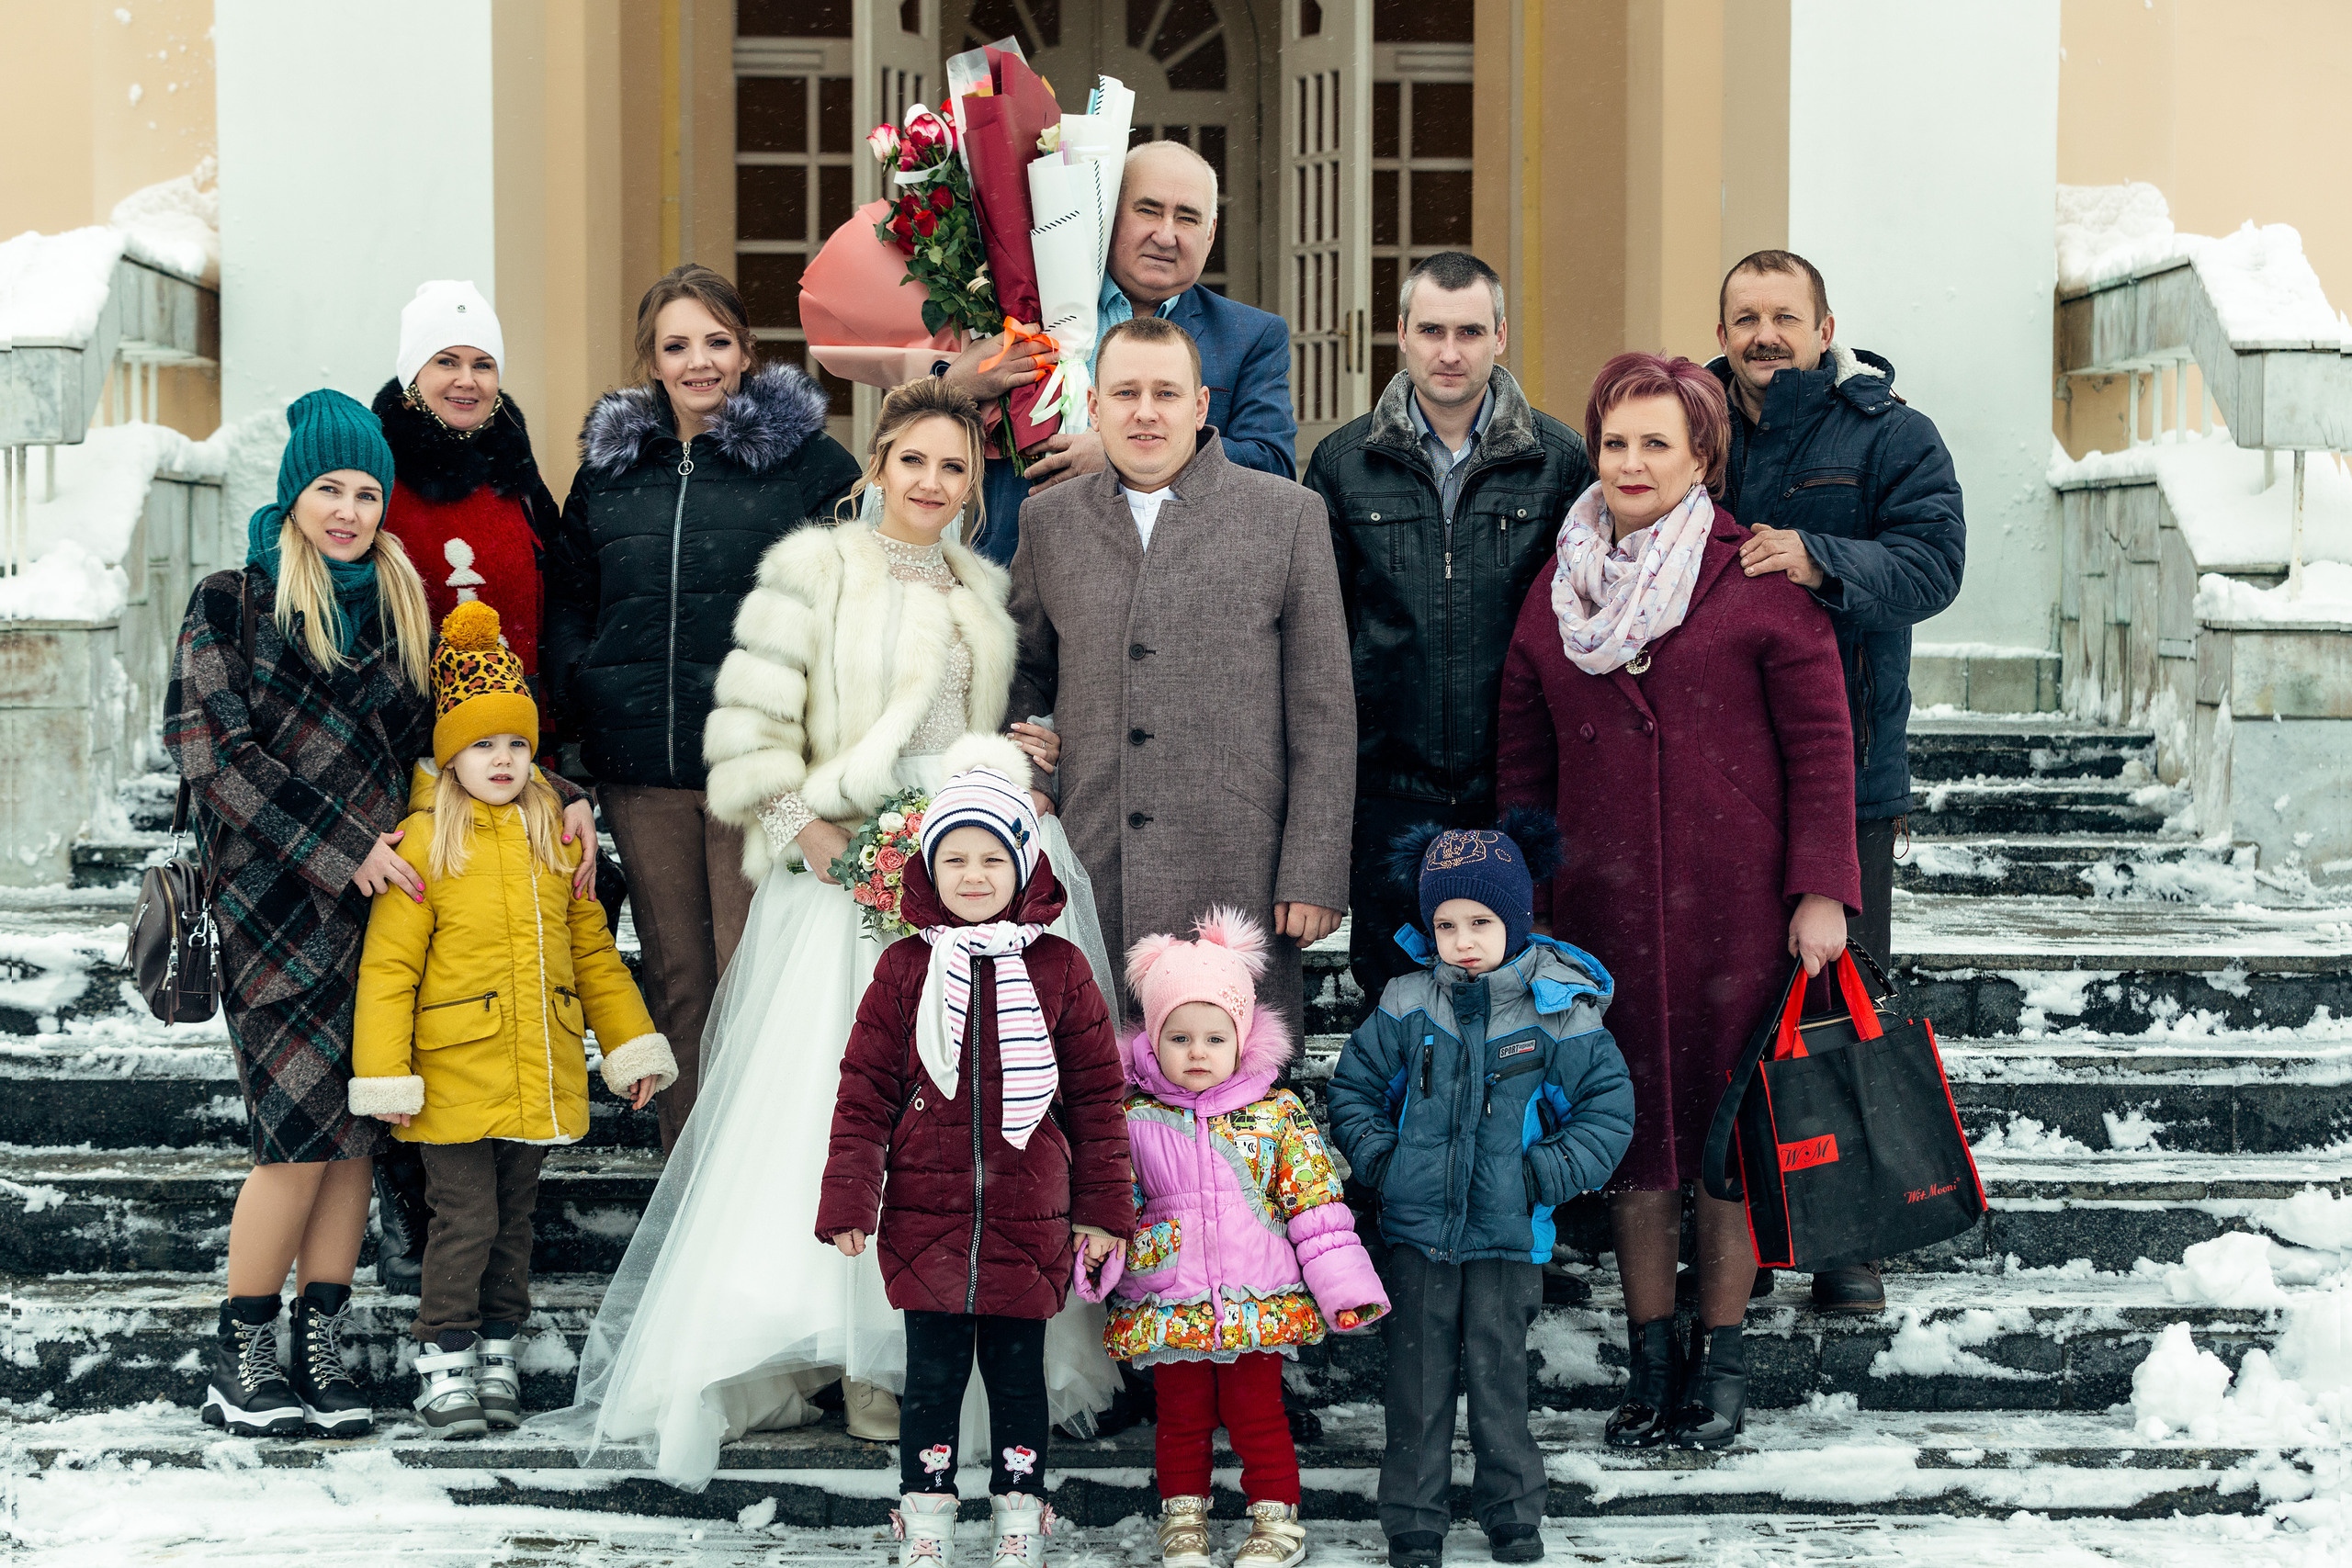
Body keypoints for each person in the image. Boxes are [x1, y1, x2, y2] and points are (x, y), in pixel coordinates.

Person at [548, 377, 1119, 1489]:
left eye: (956, 468)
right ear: (879, 462)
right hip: (847, 866)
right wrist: (810, 834)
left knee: (966, 1096)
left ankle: (933, 1347)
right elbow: (751, 725)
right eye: (915, 460)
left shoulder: (981, 586)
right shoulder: (813, 570)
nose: (933, 483)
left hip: (959, 862)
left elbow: (976, 726)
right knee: (847, 1098)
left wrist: (1015, 758)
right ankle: (845, 1350)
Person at [1494, 353, 1859, 1453]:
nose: (1632, 463)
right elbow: (1522, 755)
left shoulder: (1751, 575)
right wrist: (1530, 906)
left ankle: (1723, 1360)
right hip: (1599, 919)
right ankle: (1650, 1363)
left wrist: (1823, 892)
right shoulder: (1556, 585)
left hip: (1737, 909)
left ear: (1702, 455)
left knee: (1723, 1142)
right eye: (1615, 442)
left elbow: (1822, 747)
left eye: (1658, 442)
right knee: (1629, 1141)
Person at [164, 389, 440, 1439]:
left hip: (383, 913)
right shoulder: (231, 602)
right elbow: (214, 758)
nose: (350, 510)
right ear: (293, 495)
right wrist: (341, 849)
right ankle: (241, 1353)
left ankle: (316, 1349)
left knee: (358, 1134)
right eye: (330, 488)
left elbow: (425, 755)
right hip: (272, 910)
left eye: (368, 492)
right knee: (293, 1140)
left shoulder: (398, 610)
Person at [542, 264, 863, 1148]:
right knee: (679, 978)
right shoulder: (611, 472)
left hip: (756, 772)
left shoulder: (808, 465)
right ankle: (687, 1183)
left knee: (751, 974)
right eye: (677, 344)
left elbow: (853, 594)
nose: (699, 362)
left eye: (717, 341)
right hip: (641, 768)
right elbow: (572, 594)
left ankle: (758, 1177)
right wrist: (584, 682)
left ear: (747, 351)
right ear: (650, 357)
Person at [347, 602, 678, 1437]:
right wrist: (386, 1074)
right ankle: (443, 1358)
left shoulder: (556, 841)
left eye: (517, 743)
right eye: (482, 744)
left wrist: (630, 1046)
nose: (502, 759)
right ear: (450, 752)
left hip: (539, 1063)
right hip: (453, 1073)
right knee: (465, 1220)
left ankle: (496, 1349)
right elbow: (389, 970)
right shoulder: (424, 843)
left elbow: (594, 953)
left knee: (516, 1219)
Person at [1710, 251, 1966, 1315]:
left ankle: (1847, 1238)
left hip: (1848, 770)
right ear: (1719, 330)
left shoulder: (1890, 433)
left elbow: (1934, 567)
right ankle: (1731, 1220)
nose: (1763, 334)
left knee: (1837, 1001)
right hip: (1716, 769)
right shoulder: (1693, 422)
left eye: (1784, 317)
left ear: (1825, 329)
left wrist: (1819, 557)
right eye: (1743, 317)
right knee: (1726, 1008)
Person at [818, 770, 1131, 1568]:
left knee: (1020, 1377)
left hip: (1033, 1211)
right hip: (926, 1212)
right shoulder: (905, 970)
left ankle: (1020, 1513)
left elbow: (1098, 1099)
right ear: (928, 871)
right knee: (931, 1378)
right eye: (954, 860)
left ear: (1024, 868)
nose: (973, 876)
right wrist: (852, 1196)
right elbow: (864, 1092)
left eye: (992, 859)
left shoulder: (1060, 969)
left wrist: (1102, 1209)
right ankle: (925, 1520)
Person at [1007, 315, 1354, 1035]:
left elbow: (1323, 712)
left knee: (1226, 1105)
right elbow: (1022, 674)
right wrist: (1031, 768)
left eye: (1166, 393)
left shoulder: (1287, 517)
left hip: (1236, 868)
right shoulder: (1050, 522)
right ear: (1094, 407)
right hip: (1094, 860)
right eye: (1125, 392)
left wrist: (1314, 870)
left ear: (1200, 407)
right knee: (1092, 1095)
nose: (1145, 411)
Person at [1325, 813, 1632, 1568]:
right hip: (1417, 1234)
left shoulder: (1558, 1011)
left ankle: (1512, 1511)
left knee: (1500, 1381)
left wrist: (1542, 1176)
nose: (1463, 938)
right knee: (1417, 1385)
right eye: (1447, 922)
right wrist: (1385, 1163)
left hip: (1506, 1235)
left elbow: (1607, 1111)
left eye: (1482, 920)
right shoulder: (1404, 1004)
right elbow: (1355, 1092)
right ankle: (1414, 1519)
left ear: (1516, 919)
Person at [369, 278, 591, 1298]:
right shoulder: (377, 474)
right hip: (402, 780)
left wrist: (555, 772)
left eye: (482, 362)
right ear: (413, 373)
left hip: (511, 770)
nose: (466, 380)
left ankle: (482, 1249)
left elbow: (553, 623)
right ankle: (420, 1225)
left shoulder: (514, 473)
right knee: (413, 994)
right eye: (446, 361)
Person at [1306, 252, 1595, 1003]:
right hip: (1390, 785)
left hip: (1512, 780)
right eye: (1431, 329)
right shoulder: (1343, 464)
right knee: (1395, 989)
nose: (1449, 350)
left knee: (1515, 991)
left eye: (1470, 330)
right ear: (1400, 334)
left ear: (1500, 335)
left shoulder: (1559, 462)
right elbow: (1321, 631)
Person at [1076, 911, 1388, 1568]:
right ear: (1153, 1041)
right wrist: (1101, 1250)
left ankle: (1275, 1522)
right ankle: (1183, 1519)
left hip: (1257, 1299)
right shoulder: (1133, 1118)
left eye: (1213, 1037)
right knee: (1181, 1419)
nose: (1196, 1051)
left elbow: (1317, 1209)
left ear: (1241, 1040)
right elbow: (1113, 1202)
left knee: (1257, 1415)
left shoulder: (1277, 1116)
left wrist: (1347, 1290)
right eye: (1179, 1036)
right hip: (1173, 1301)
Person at [935, 140, 1296, 564]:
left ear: (1211, 231)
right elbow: (915, 447)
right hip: (1013, 577)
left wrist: (1121, 455)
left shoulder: (1250, 335)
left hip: (1175, 583)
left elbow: (1271, 464)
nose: (1166, 235)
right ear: (1108, 213)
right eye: (1148, 210)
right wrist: (953, 386)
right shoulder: (1020, 305)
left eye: (1188, 217)